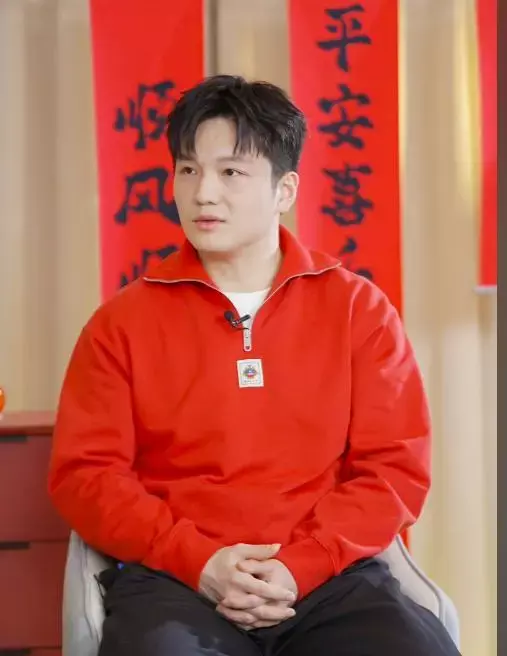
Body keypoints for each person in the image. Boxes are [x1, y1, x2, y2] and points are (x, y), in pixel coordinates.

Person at [48, 75, 460, 656]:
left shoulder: (357, 310)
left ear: (284, 189)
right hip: (175, 582)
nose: (203, 193)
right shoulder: (120, 323)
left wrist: (301, 564)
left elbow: (393, 468)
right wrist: (199, 560)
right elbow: (86, 476)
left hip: (327, 579)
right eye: (188, 169)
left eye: (231, 172)